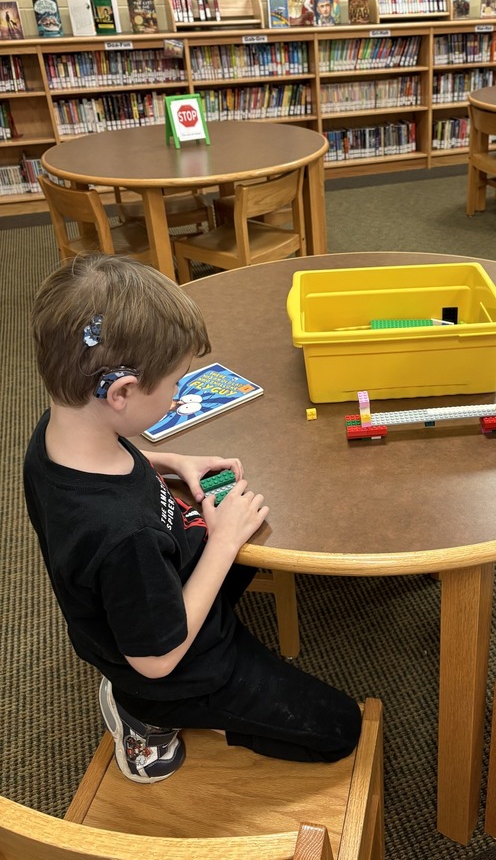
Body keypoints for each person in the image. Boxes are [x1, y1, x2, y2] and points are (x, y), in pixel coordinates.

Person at [24, 253, 361, 783]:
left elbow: (115, 459)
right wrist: (223, 543)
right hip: (173, 670)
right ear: (121, 393)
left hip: (159, 582)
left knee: (251, 527)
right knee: (341, 729)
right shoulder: (122, 536)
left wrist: (170, 460)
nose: (181, 392)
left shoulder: (59, 430)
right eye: (176, 383)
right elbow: (156, 659)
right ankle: (144, 718)